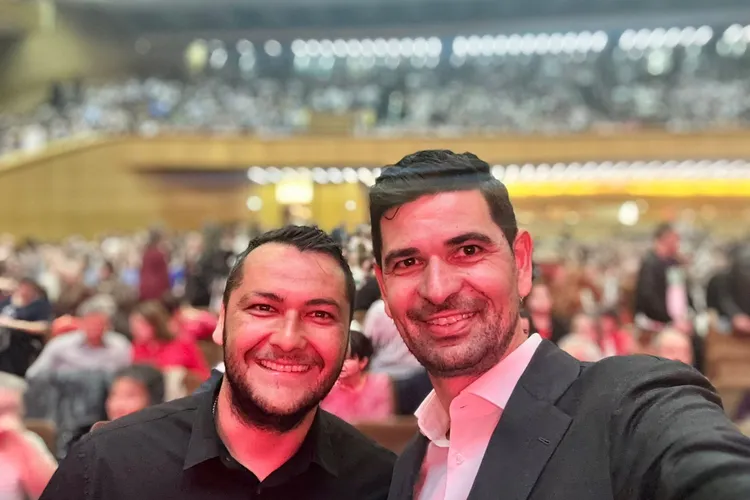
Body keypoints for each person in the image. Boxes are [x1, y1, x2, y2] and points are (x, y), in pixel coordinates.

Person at [368, 150, 750, 500]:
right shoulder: (409, 467)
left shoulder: (628, 405)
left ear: (521, 263)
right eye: (407, 262)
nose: (437, 289)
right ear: (383, 286)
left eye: (468, 251)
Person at [40, 225, 395, 500]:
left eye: (320, 315)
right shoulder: (107, 467)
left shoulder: (383, 484)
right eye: (263, 308)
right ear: (221, 322)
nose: (288, 339)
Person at [26, 295, 131, 379]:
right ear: (81, 323)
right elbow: (33, 375)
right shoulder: (60, 345)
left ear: (109, 326)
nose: (95, 328)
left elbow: (127, 378)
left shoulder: (120, 346)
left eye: (100, 324)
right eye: (91, 323)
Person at [0, 373, 57, 500]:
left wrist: (22, 446)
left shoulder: (29, 441)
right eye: (2, 411)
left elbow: (56, 492)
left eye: (14, 410)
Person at [321, 329, 394, 423]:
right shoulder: (328, 387)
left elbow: (382, 422)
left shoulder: (379, 384)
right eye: (338, 358)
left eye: (347, 359)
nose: (341, 364)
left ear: (363, 362)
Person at [0, 278, 53, 376]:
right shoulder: (7, 302)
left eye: (28, 287)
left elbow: (43, 327)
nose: (24, 290)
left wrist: (12, 323)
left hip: (22, 344)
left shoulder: (40, 306)